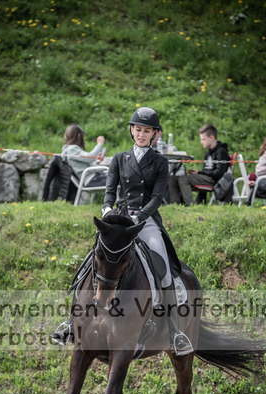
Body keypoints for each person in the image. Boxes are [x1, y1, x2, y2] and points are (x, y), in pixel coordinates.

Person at [51, 107, 193, 355]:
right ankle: (70, 323)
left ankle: (174, 331)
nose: (141, 134)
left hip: (146, 221)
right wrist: (107, 209)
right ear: (132, 130)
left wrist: (141, 216)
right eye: (138, 129)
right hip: (120, 219)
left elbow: (157, 197)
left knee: (163, 268)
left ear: (154, 134)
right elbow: (110, 190)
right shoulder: (119, 158)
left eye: (146, 131)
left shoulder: (160, 162)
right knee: (91, 261)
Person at [168, 124, 230, 205]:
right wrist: (198, 173)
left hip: (215, 181)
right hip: (206, 178)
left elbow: (219, 173)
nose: (201, 142)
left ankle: (190, 205)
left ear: (211, 138)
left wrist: (200, 172)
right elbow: (206, 170)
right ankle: (175, 205)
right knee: (172, 179)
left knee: (183, 179)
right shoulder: (208, 153)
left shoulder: (221, 152)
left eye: (203, 139)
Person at [61, 124, 106, 191]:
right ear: (79, 136)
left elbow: (84, 163)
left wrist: (96, 162)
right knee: (119, 179)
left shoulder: (70, 150)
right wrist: (99, 145)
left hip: (94, 178)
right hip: (92, 179)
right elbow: (89, 157)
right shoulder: (72, 149)